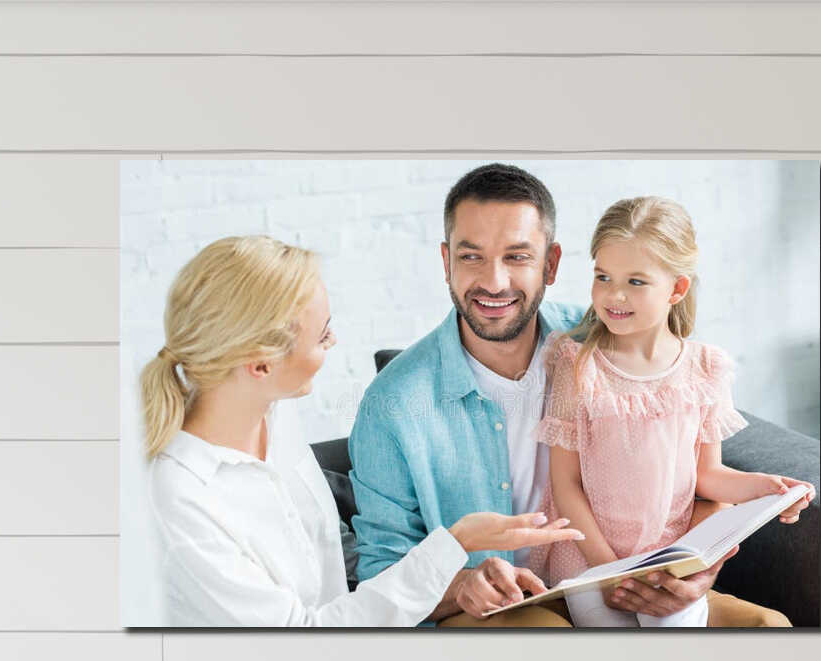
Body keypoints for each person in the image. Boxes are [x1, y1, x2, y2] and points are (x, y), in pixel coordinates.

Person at [348, 163, 792, 628]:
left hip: (632, 578)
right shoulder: (392, 404)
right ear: (446, 262)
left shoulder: (608, 341)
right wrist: (460, 585)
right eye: (471, 256)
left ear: (552, 264)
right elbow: (380, 575)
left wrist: (696, 572)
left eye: (517, 257)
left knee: (768, 628)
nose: (494, 282)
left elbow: (695, 476)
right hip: (498, 609)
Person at [139, 235, 580, 628]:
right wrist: (454, 543)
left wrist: (460, 582)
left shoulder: (270, 414)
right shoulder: (180, 501)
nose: (333, 342)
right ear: (260, 365)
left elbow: (339, 559)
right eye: (322, 335)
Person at [536, 196, 812, 628]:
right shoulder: (578, 365)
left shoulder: (705, 368)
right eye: (603, 276)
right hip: (591, 562)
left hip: (670, 560)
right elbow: (565, 484)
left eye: (636, 281)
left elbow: (709, 475)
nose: (614, 294)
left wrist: (769, 489)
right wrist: (608, 570)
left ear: (677, 289)